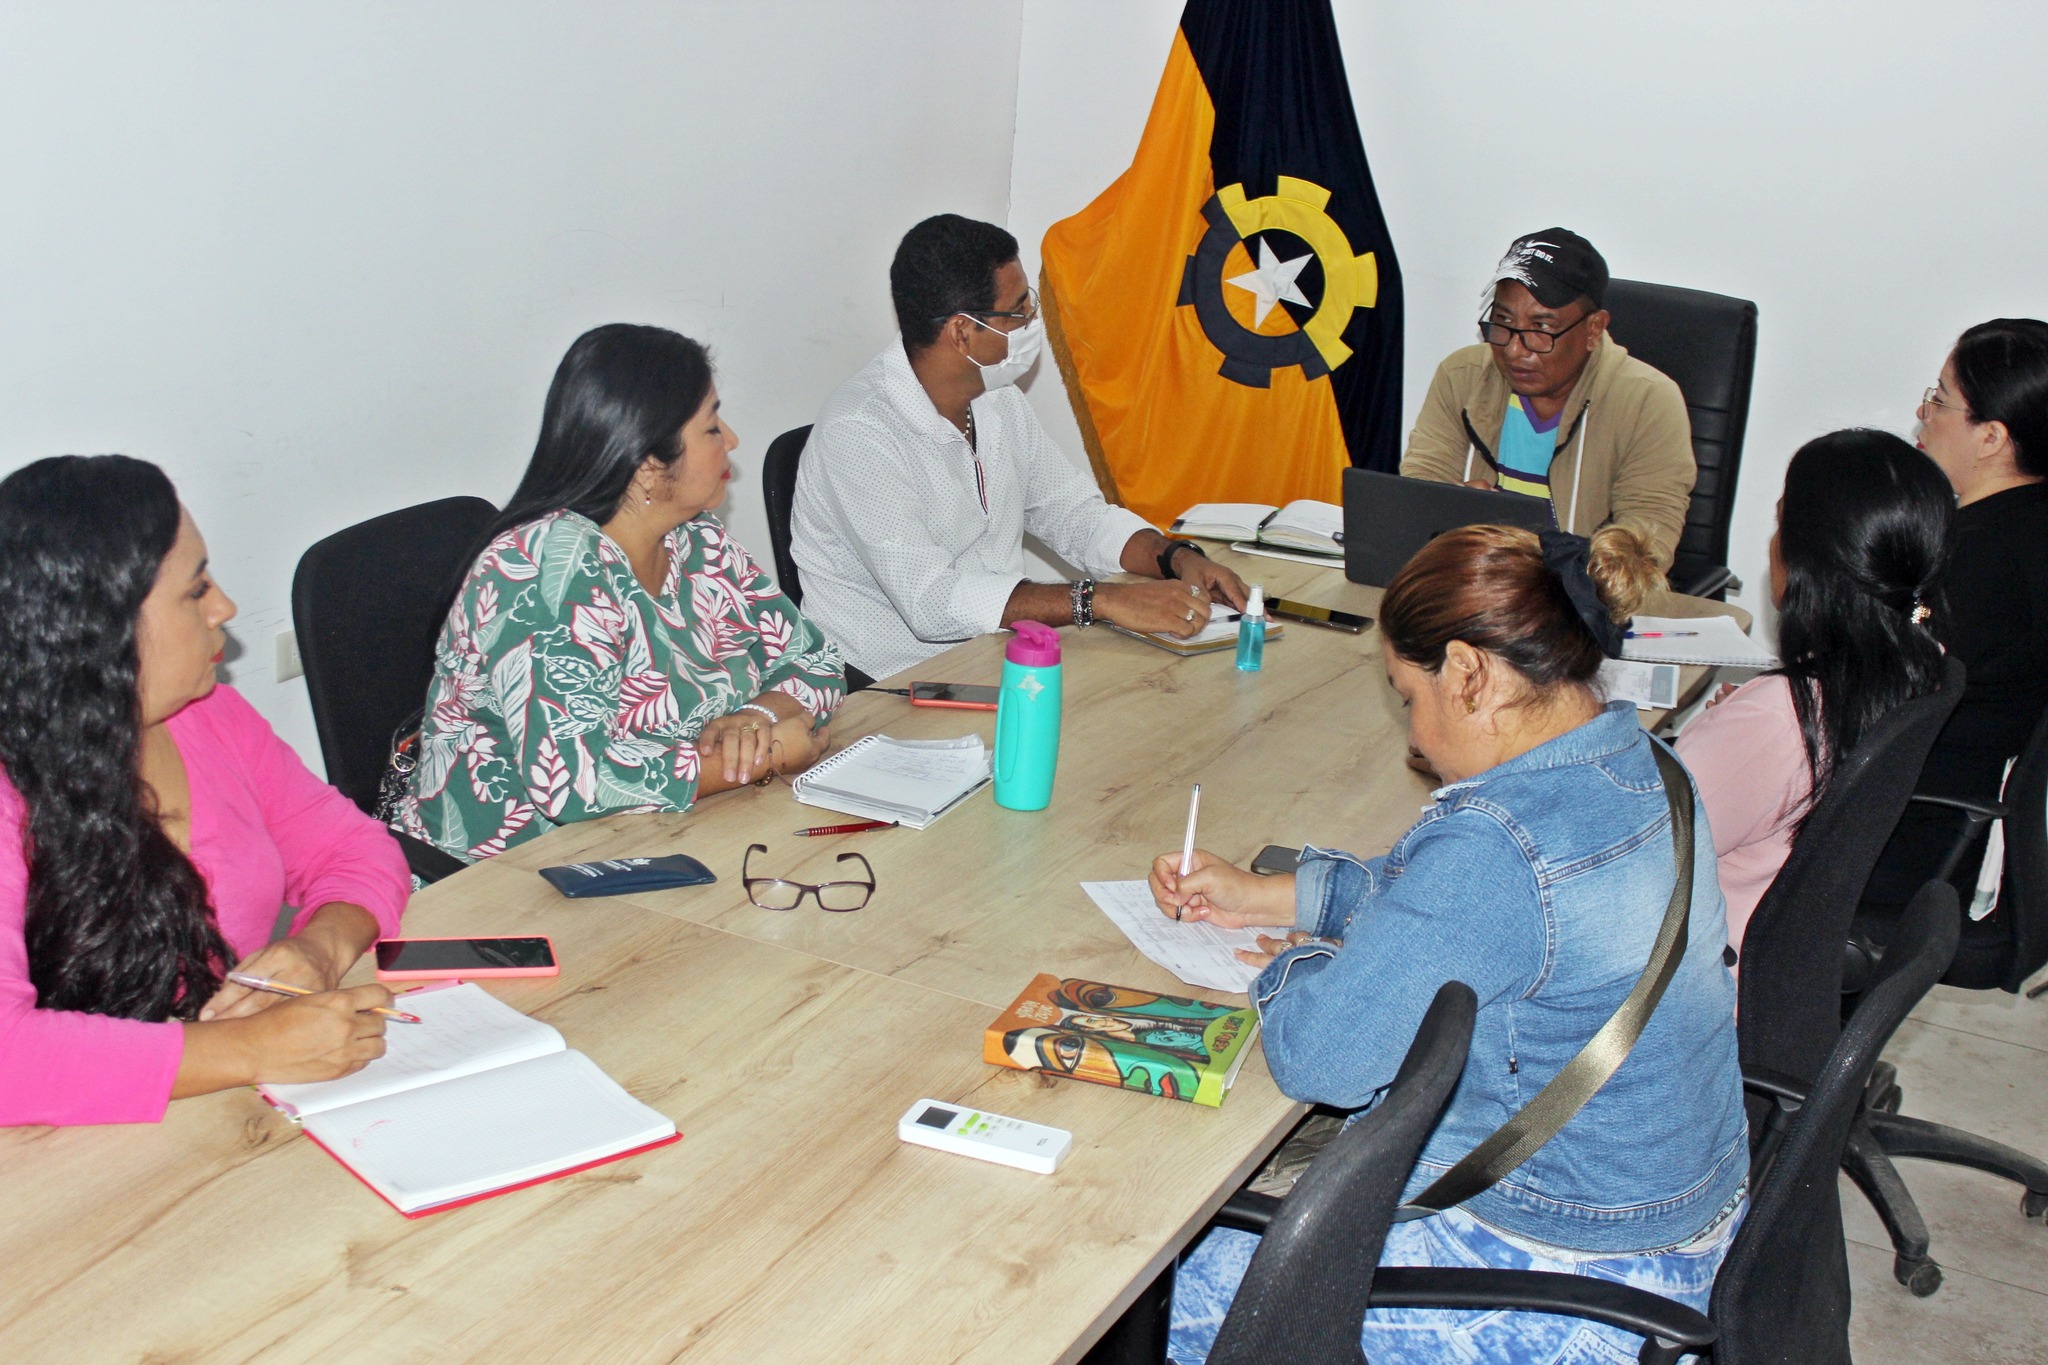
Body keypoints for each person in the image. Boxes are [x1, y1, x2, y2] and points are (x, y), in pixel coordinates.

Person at [1150, 524, 1747, 1364]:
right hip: (1678, 1232)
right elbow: (1454, 904)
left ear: (1468, 673)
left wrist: (1297, 960)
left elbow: (1321, 1058)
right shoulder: (1645, 763)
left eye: (1408, 697)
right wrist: (1278, 893)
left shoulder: (1498, 845)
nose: (1414, 738)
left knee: (1158, 1299)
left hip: (1567, 1278)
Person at [0, 455, 410, 1127]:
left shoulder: (209, 717)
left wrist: (319, 948)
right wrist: (251, 1047)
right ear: (101, 627)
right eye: (195, 591)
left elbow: (353, 848)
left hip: (227, 1118)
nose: (225, 607)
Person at [396, 325, 844, 864]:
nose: (731, 439)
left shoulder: (697, 539)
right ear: (649, 465)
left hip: (664, 838)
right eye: (710, 427)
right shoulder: (546, 572)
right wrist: (759, 758)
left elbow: (816, 660)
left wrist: (756, 716)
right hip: (506, 876)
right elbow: (572, 783)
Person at [790, 213, 1249, 684]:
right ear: (962, 332)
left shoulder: (997, 399)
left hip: (993, 655)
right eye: (1018, 309)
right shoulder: (859, 433)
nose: (1032, 319)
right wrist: (1101, 600)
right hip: (885, 687)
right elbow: (932, 602)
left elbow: (1074, 514)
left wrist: (1175, 559)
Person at [1677, 430, 1951, 961]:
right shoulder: (1923, 657)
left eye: (1781, 523)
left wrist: (1739, 733)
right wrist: (1741, 733)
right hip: (1783, 959)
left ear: (1810, 565)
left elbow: (1637, 845)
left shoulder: (1778, 718)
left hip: (1698, 972)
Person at [1864, 318, 2048, 931]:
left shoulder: (1981, 560)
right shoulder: (2019, 527)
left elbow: (1884, 700)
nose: (1923, 412)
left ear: (1992, 436)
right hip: (1933, 813)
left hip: (1906, 837)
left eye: (1940, 399)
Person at [1401, 228, 1697, 571]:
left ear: (1593, 329)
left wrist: (1544, 558)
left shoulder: (1647, 400)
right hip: (1474, 581)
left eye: (1540, 328)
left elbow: (1646, 544)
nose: (1515, 350)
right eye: (1503, 322)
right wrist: (1454, 513)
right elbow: (1420, 487)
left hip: (1581, 593)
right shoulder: (1462, 376)